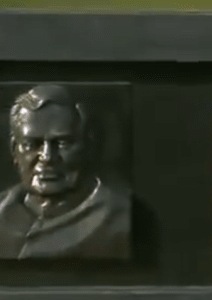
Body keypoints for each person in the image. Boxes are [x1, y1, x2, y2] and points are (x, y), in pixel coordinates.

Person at [0, 84, 130, 259]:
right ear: (15, 150)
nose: (47, 157)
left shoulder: (122, 220)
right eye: (32, 144)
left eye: (63, 143)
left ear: (88, 146)